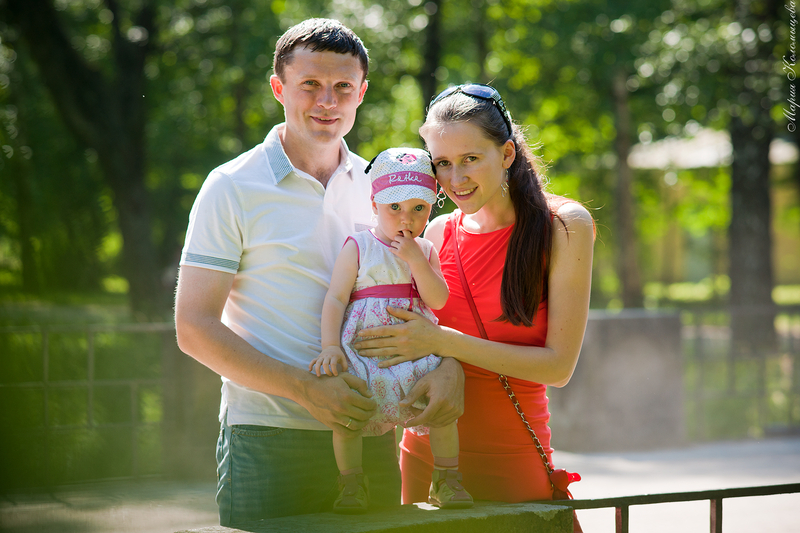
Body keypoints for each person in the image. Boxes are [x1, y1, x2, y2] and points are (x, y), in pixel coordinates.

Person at [173, 19, 464, 526]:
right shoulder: (231, 186)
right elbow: (193, 327)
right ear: (278, 88)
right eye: (310, 84)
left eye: (342, 87)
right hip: (267, 437)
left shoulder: (384, 188)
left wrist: (449, 366)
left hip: (372, 428)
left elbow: (424, 296)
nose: (327, 101)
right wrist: (305, 389)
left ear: (362, 93)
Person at [351, 84, 594, 532]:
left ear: (506, 154)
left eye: (470, 159)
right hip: (428, 458)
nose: (455, 178)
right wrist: (445, 360)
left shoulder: (563, 225)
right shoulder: (434, 235)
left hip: (512, 459)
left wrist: (444, 343)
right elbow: (418, 340)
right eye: (442, 163)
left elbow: (558, 367)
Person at [308, 147, 473, 513]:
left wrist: (416, 260)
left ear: (431, 208)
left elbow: (438, 300)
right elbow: (335, 299)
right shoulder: (360, 246)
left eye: (418, 208)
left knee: (442, 413)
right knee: (349, 415)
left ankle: (446, 478)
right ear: (375, 204)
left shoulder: (425, 250)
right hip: (365, 355)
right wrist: (330, 346)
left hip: (416, 355)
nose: (405, 219)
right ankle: (351, 482)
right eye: (394, 207)